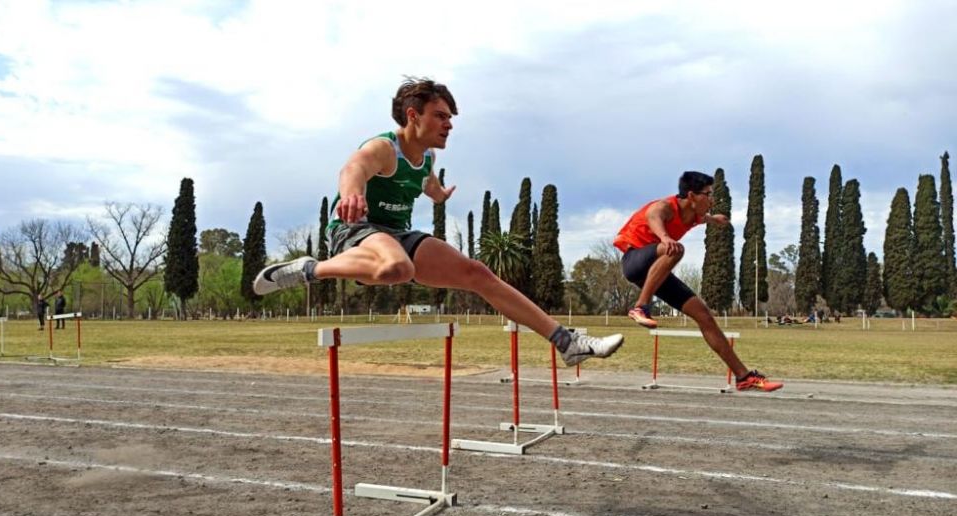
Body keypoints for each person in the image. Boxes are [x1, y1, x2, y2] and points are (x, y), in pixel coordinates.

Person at [253, 78, 623, 366]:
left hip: (396, 233)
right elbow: (354, 167)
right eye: (440, 116)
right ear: (413, 116)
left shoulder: (426, 157)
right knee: (397, 264)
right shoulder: (385, 148)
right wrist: (351, 193)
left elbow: (425, 182)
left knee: (477, 273)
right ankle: (310, 269)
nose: (449, 124)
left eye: (450, 118)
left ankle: (566, 342)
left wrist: (438, 194)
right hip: (355, 230)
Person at [613, 171, 782, 392]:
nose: (712, 199)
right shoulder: (666, 206)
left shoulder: (693, 215)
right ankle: (640, 307)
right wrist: (664, 237)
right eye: (708, 194)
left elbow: (703, 218)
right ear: (691, 196)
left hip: (656, 271)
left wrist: (715, 220)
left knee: (703, 315)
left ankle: (744, 377)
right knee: (675, 249)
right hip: (635, 260)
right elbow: (653, 216)